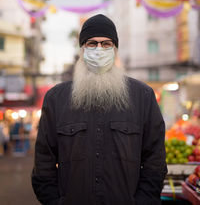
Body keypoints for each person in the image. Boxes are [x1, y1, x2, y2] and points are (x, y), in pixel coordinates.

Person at [32, 14, 167, 205]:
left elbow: (155, 160)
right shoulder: (56, 99)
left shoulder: (142, 96)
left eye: (106, 44)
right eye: (91, 43)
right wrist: (56, 201)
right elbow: (43, 162)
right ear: (82, 49)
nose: (99, 50)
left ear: (115, 50)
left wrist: (142, 201)